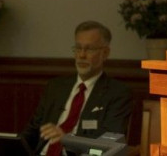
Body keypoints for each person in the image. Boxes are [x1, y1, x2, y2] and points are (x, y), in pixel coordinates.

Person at [21, 21, 133, 155]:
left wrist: (67, 140)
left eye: (89, 49)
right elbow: (32, 132)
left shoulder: (117, 93)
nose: (81, 55)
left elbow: (108, 145)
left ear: (105, 53)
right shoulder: (55, 87)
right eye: (78, 48)